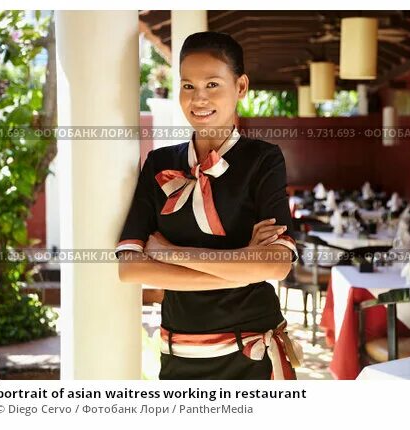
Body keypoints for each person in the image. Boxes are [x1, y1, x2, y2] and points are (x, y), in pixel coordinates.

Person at [115, 31, 300, 380]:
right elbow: (130, 269)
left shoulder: (263, 159)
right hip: (178, 352)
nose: (198, 98)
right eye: (188, 86)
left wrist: (170, 253)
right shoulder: (158, 163)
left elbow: (276, 265)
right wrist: (243, 263)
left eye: (213, 84)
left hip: (250, 350)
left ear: (241, 87)